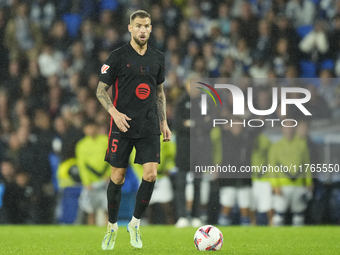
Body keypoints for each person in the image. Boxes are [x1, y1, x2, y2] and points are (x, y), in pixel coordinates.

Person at [96, 10, 171, 250]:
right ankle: (111, 226)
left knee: (150, 175)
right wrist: (115, 113)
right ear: (130, 28)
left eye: (146, 26)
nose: (142, 30)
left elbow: (159, 93)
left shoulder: (158, 58)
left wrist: (164, 122)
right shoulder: (117, 57)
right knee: (117, 177)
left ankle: (135, 223)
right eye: (138, 25)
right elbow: (100, 90)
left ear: (151, 29)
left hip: (149, 124)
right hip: (122, 124)